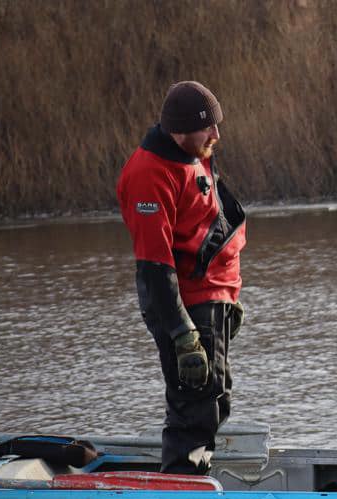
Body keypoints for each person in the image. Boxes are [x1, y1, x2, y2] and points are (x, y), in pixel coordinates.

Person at [116, 81, 247, 475]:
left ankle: (190, 482)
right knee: (196, 406)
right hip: (186, 304)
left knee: (215, 399)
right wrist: (182, 334)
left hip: (214, 298)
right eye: (209, 128)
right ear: (181, 129)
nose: (217, 136)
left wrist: (229, 302)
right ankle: (179, 493)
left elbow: (211, 225)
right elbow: (155, 267)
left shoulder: (194, 153)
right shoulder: (149, 174)